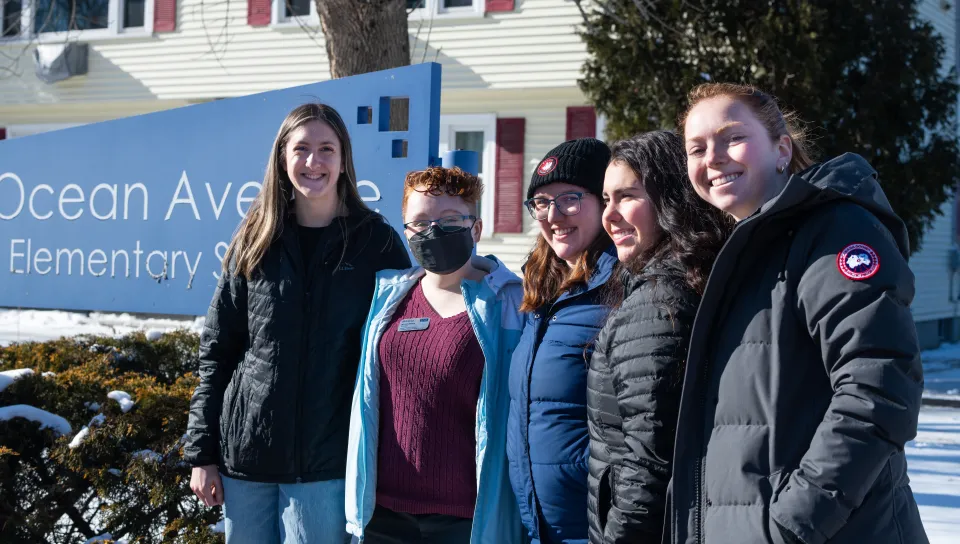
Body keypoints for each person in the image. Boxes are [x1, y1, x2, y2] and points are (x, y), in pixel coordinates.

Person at [670, 83, 927, 544]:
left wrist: (794, 523)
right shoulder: (745, 253)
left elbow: (880, 384)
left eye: (732, 138)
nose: (713, 157)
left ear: (782, 149)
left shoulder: (833, 231)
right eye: (697, 148)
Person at [183, 103, 411, 544]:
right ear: (282, 158)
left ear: (344, 159)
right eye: (301, 148)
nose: (313, 161)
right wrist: (202, 453)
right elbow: (218, 351)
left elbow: (399, 352)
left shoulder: (375, 242)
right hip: (246, 462)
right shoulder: (254, 238)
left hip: (327, 464)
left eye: (326, 149)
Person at [343, 165, 525, 544]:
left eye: (449, 219)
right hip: (383, 516)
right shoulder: (388, 299)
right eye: (420, 221)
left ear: (475, 228)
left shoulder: (511, 304)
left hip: (466, 520)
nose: (434, 231)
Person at [586, 131, 731, 544]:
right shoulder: (680, 281)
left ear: (672, 201)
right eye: (606, 198)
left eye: (628, 196)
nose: (610, 215)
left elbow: (646, 463)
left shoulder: (659, 302)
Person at [506, 138, 616, 544]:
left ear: (604, 201)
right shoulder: (540, 294)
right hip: (539, 526)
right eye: (540, 202)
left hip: (595, 527)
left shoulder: (622, 289)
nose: (553, 215)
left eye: (570, 198)